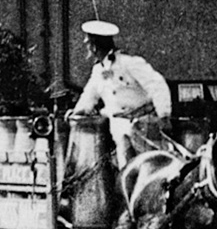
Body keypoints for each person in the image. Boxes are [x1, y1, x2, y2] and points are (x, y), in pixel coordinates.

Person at [70, 19, 171, 163]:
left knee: (152, 166)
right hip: (119, 131)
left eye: (88, 42)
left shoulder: (128, 62)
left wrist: (164, 115)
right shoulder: (98, 70)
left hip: (142, 127)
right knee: (124, 169)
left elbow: (157, 84)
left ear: (94, 46)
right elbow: (88, 97)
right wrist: (75, 113)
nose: (86, 46)